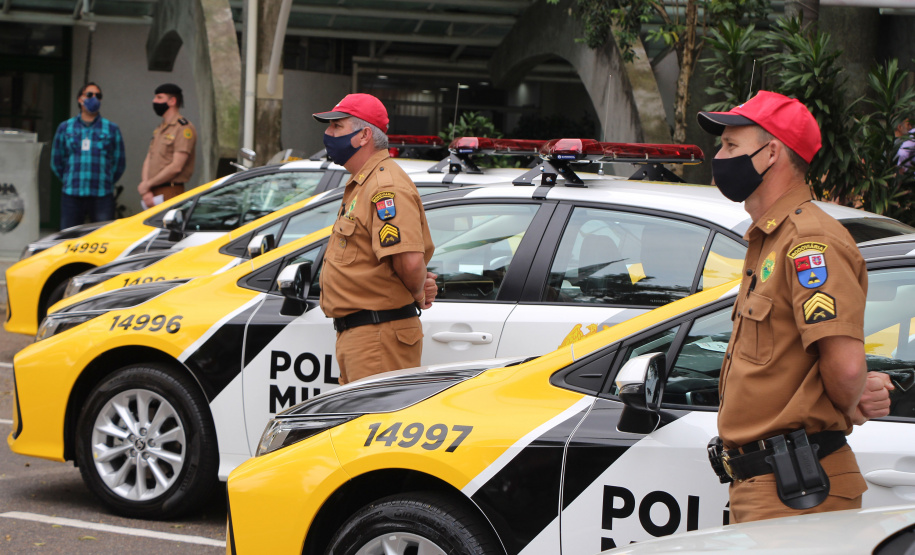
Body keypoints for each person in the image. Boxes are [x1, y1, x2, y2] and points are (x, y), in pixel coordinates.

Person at [698, 91, 893, 523]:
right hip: (771, 487)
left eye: (732, 145)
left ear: (771, 154)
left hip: (795, 489)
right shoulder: (771, 238)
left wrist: (852, 391)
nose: (720, 155)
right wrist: (853, 392)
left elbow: (843, 368)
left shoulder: (810, 243)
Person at [312, 93, 438, 384]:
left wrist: (418, 290)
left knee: (374, 429)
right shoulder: (364, 183)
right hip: (364, 337)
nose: (328, 135)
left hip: (377, 338)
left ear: (364, 135)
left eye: (336, 127)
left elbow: (408, 261)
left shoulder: (385, 187)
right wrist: (419, 287)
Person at [50, 82, 126, 229]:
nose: (94, 98)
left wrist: (107, 180)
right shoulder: (65, 127)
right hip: (72, 193)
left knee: (103, 238)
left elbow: (119, 162)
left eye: (98, 96)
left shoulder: (111, 128)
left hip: (102, 194)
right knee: (68, 238)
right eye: (89, 95)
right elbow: (57, 160)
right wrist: (68, 178)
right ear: (80, 99)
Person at [138, 83, 196, 208]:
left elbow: (176, 166)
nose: (154, 101)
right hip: (152, 191)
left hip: (170, 190)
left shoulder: (183, 128)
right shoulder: (160, 128)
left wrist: (148, 184)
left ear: (172, 101)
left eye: (159, 98)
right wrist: (146, 186)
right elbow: (149, 158)